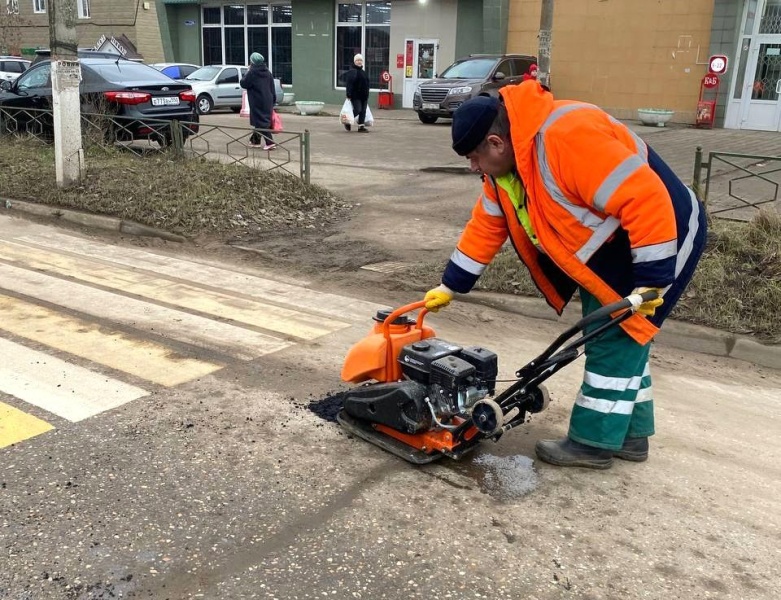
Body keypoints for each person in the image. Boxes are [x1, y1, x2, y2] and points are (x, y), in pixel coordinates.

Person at [423, 83, 707, 470]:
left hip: (660, 235)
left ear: (496, 142)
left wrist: (654, 277)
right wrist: (450, 286)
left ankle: (592, 443)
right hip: (611, 246)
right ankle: (632, 436)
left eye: (474, 157)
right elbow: (487, 226)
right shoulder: (508, 169)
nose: (473, 168)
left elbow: (645, 198)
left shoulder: (566, 138)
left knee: (615, 340)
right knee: (625, 343)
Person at [240, 52, 277, 150]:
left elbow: (243, 83)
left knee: (261, 122)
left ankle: (270, 142)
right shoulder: (268, 72)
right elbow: (272, 87)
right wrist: (273, 100)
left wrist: (247, 72)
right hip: (268, 100)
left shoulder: (252, 72)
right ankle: (255, 141)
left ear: (252, 62)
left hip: (257, 100)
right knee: (259, 120)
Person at [344, 53, 370, 132]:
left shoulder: (363, 72)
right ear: (355, 62)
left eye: (360, 60)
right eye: (357, 60)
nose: (359, 62)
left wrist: (367, 93)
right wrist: (348, 94)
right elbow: (349, 84)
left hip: (364, 95)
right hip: (355, 95)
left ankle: (361, 127)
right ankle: (347, 121)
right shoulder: (352, 72)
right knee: (358, 109)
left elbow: (367, 83)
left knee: (363, 111)